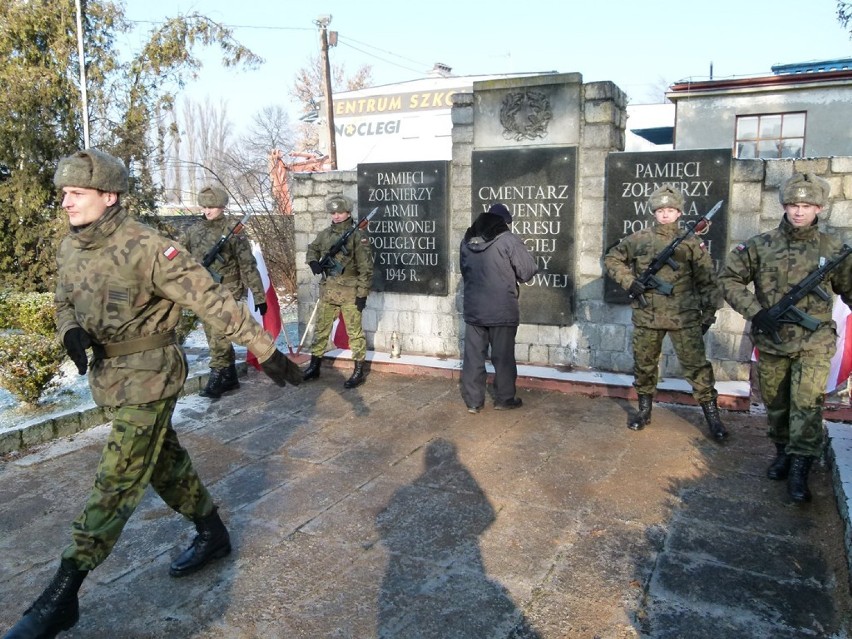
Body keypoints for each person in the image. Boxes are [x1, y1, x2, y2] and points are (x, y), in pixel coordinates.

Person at [3, 148, 303, 639]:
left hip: (150, 374)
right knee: (163, 461)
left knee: (117, 478)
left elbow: (209, 295)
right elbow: (62, 300)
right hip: (110, 376)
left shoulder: (148, 247)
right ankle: (213, 533)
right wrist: (70, 332)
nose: (65, 202)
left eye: (75, 193)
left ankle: (61, 595)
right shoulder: (71, 247)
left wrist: (264, 349)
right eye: (64, 193)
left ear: (109, 196)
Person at [719, 172, 852, 502]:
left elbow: (850, 289)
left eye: (806, 205)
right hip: (773, 340)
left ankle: (800, 469)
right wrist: (756, 312)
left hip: (814, 343)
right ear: (784, 206)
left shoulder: (834, 249)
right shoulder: (760, 245)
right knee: (777, 405)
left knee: (806, 405)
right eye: (793, 204)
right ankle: (783, 454)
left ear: (819, 207)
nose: (798, 211)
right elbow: (729, 279)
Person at [604, 184, 727, 440]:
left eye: (671, 210)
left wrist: (708, 315)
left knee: (697, 368)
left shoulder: (692, 243)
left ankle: (713, 419)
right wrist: (630, 281)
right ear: (654, 212)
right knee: (645, 365)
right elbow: (612, 258)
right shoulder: (639, 239)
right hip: (648, 314)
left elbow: (708, 280)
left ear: (679, 213)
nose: (665, 214)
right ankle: (644, 410)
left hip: (684, 316)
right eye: (661, 210)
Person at [181, 184, 267, 399]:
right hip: (204, 291)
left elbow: (247, 264)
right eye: (204, 207)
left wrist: (258, 295)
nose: (207, 211)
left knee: (219, 331)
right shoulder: (194, 231)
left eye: (212, 206)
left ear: (222, 206)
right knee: (212, 333)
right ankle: (229, 376)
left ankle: (219, 372)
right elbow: (179, 257)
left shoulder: (233, 230)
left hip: (229, 289)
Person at [459, 203, 537, 413]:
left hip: (474, 309)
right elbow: (527, 271)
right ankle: (504, 399)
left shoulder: (467, 240)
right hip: (502, 309)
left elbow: (464, 271)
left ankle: (474, 402)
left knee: (473, 357)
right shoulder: (508, 240)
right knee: (503, 357)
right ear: (503, 222)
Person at [303, 194, 374, 388]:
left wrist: (362, 295)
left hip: (350, 293)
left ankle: (358, 370)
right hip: (329, 291)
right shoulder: (326, 234)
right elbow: (312, 248)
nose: (336, 216)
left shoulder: (358, 236)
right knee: (321, 330)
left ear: (348, 212)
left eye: (340, 212)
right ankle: (314, 366)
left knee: (355, 333)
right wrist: (313, 262)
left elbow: (366, 269)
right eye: (333, 212)